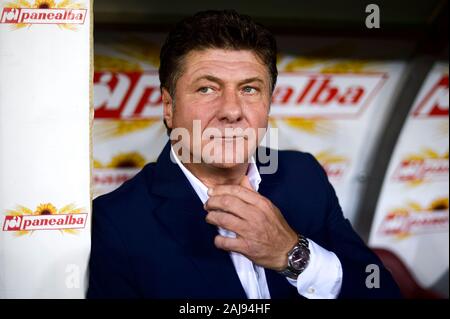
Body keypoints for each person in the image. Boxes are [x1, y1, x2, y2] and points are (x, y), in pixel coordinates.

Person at [87, 10, 401, 299]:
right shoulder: (117, 222)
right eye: (207, 89)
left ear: (269, 103)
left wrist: (294, 255)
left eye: (249, 89)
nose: (232, 110)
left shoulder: (303, 176)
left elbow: (380, 290)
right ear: (169, 107)